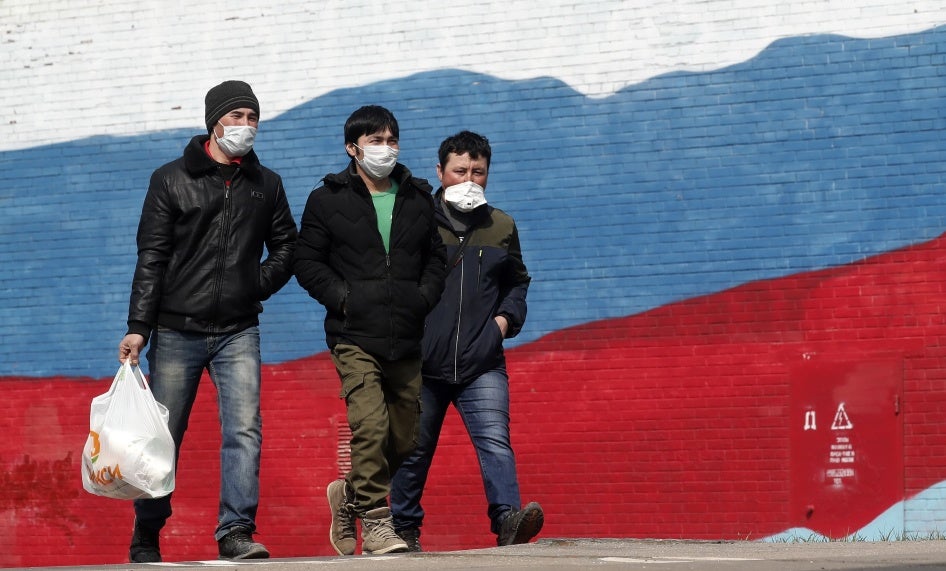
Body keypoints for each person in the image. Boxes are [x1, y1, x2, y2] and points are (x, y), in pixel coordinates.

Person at [117, 80, 297, 563]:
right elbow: (151, 257)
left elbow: (287, 247)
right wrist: (140, 326)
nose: (246, 126)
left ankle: (235, 531)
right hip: (177, 330)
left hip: (239, 330)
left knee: (244, 430)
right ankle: (148, 529)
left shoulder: (267, 184)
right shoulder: (170, 178)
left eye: (253, 117)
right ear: (214, 121)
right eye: (236, 116)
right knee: (164, 436)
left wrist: (252, 285)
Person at [293, 105, 447, 555]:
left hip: (406, 334)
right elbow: (307, 262)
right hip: (354, 334)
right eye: (375, 140)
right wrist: (345, 298)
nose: (385, 148)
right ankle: (378, 523)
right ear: (352, 148)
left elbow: (435, 259)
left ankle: (349, 497)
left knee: (404, 437)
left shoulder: (418, 196)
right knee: (371, 426)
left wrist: (422, 298)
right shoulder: (328, 198)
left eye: (391, 139)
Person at [390, 131, 543, 551]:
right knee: (414, 449)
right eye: (460, 171)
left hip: (482, 362)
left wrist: (503, 322)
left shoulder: (501, 226)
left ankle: (507, 520)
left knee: (495, 440)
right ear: (440, 172)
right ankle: (402, 529)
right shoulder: (415, 222)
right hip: (423, 363)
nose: (469, 179)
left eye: (478, 172)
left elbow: (518, 283)